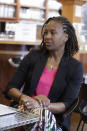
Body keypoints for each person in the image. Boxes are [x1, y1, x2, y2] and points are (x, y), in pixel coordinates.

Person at [4, 16, 83, 131]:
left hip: (53, 120)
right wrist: (24, 97)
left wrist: (42, 106)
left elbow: (67, 104)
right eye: (45, 33)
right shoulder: (33, 56)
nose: (47, 37)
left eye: (52, 33)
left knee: (43, 116)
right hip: (24, 114)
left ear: (66, 37)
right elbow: (11, 88)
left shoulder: (75, 67)